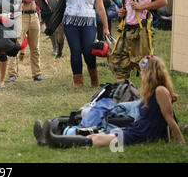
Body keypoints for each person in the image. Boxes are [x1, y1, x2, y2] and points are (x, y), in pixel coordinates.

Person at [34, 56, 186, 148]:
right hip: (138, 128)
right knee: (93, 137)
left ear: (151, 73)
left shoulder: (160, 91)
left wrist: (180, 141)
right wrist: (167, 137)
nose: (142, 75)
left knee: (100, 138)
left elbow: (169, 118)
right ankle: (51, 139)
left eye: (144, 71)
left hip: (144, 133)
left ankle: (53, 140)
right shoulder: (153, 91)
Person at [108, 0, 167, 81]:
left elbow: (163, 0)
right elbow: (128, 7)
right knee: (119, 63)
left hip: (141, 31)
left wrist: (142, 6)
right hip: (126, 30)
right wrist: (122, 12)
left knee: (145, 65)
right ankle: (123, 93)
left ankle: (153, 94)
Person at [57, 0, 110, 89]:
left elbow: (101, 8)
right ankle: (78, 82)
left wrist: (106, 27)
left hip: (88, 23)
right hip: (71, 22)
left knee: (88, 51)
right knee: (75, 51)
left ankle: (94, 79)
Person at [6, 0, 49, 83]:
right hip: (21, 15)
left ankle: (37, 74)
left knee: (35, 47)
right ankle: (12, 74)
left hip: (34, 15)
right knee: (15, 46)